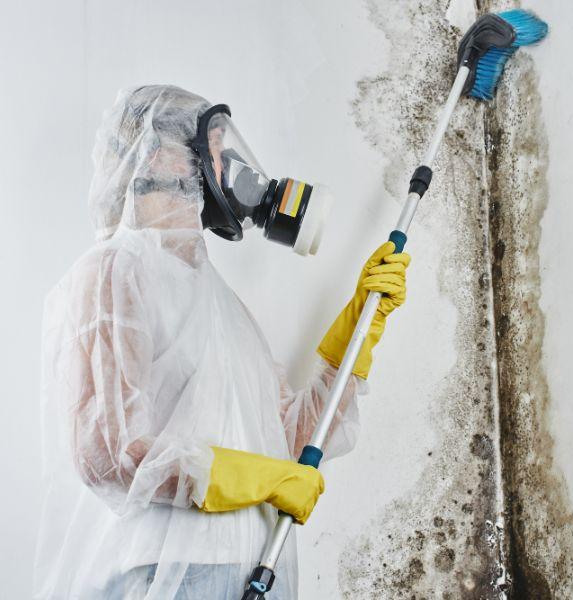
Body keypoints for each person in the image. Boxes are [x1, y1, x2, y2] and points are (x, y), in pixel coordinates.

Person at [34, 85, 410, 599]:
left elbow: (294, 441)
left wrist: (360, 325)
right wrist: (255, 481)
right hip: (163, 575)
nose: (226, 160)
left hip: (259, 571)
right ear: (158, 155)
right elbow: (107, 450)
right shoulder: (115, 272)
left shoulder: (223, 305)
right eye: (212, 143)